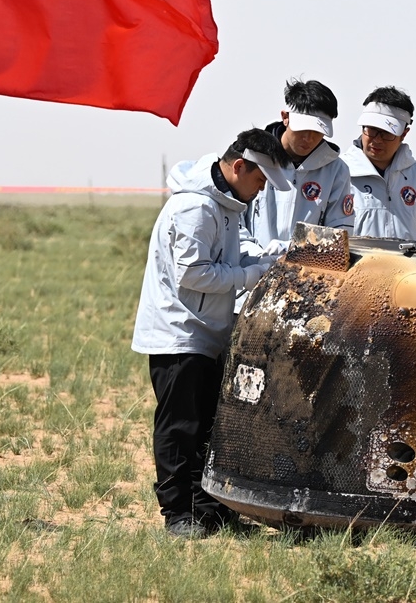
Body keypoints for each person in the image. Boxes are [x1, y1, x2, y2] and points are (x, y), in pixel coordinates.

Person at [131, 128, 294, 539]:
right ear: (238, 167)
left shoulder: (227, 205)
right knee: (180, 427)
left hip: (206, 333)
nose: (259, 192)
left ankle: (208, 511)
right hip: (179, 333)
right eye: (259, 181)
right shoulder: (196, 209)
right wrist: (250, 275)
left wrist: (273, 254)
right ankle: (177, 514)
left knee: (207, 425)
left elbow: (236, 254)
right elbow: (193, 273)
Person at [243, 79, 353, 256]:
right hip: (248, 271)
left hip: (305, 276)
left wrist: (295, 246)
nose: (308, 138)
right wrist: (252, 254)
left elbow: (340, 234)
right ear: (285, 117)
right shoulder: (253, 156)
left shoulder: (336, 170)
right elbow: (233, 219)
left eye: (318, 131)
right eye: (302, 129)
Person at [339, 86, 416, 244]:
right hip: (357, 268)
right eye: (372, 130)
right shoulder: (339, 173)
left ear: (404, 134)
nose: (377, 140)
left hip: (409, 268)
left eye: (387, 133)